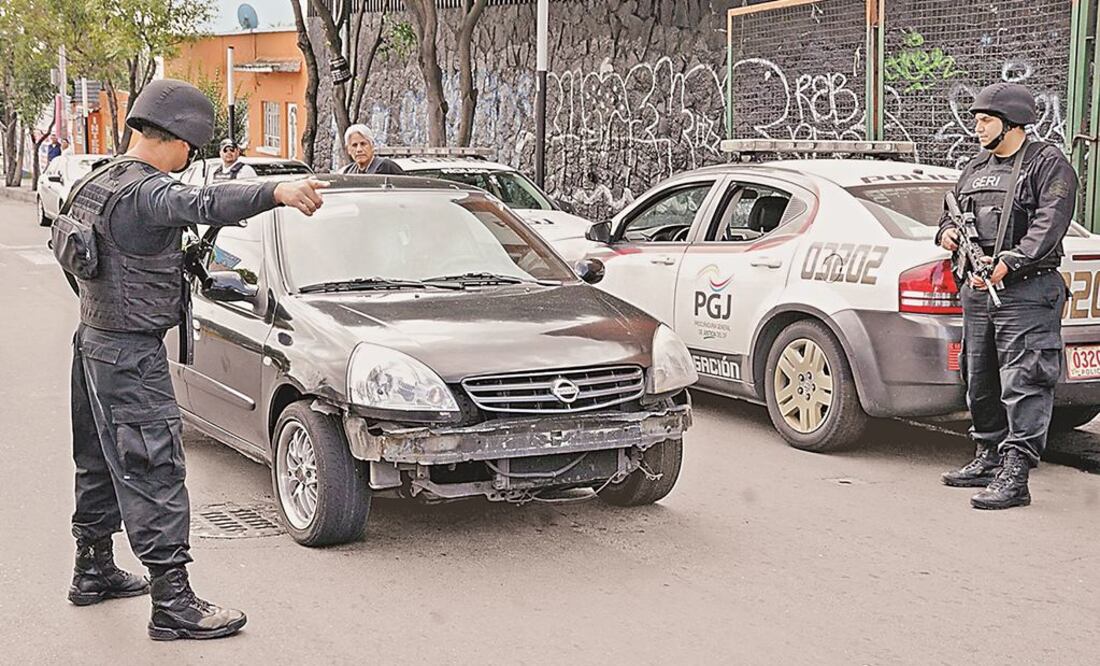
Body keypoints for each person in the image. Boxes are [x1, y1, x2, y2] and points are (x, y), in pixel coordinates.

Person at [64, 79, 328, 639]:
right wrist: (274, 194)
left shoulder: (96, 182)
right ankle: (173, 603)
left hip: (93, 341)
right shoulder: (147, 193)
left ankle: (92, 568)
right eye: (192, 149)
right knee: (154, 466)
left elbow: (74, 261)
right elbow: (202, 202)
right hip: (130, 354)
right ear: (179, 138)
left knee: (97, 460)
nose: (189, 161)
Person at [936, 82, 1078, 510]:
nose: (976, 127)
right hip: (979, 291)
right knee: (978, 376)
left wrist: (1013, 261)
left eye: (985, 120)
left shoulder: (1046, 163)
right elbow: (949, 213)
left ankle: (1016, 474)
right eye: (977, 119)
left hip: (1026, 290)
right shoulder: (975, 167)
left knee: (1026, 380)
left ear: (1012, 123)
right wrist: (945, 234)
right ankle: (988, 455)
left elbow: (1050, 221)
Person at [339, 124, 404, 175]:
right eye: (354, 145)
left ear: (372, 146)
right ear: (348, 150)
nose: (359, 149)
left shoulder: (386, 167)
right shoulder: (348, 172)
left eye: (363, 144)